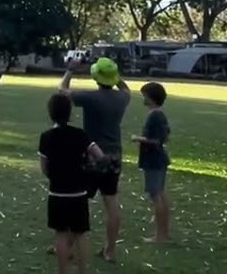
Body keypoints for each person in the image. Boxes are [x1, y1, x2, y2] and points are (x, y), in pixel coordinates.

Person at [59, 57, 130, 263]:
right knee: (111, 201)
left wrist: (70, 70)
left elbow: (62, 91)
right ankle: (110, 250)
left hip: (92, 154)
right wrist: (115, 75)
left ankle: (68, 246)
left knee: (80, 201)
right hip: (115, 155)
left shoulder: (90, 98)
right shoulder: (122, 98)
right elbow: (125, 87)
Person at [39, 93, 104, 274]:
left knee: (60, 234)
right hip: (78, 193)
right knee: (80, 234)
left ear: (51, 113)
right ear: (70, 113)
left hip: (57, 193)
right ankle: (83, 270)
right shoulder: (80, 135)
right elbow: (99, 156)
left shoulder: (46, 137)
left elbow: (44, 168)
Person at [131, 81, 171, 243]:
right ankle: (164, 233)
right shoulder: (160, 115)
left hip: (153, 160)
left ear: (151, 98)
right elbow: (166, 136)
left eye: (145, 96)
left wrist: (137, 139)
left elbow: (155, 140)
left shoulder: (154, 115)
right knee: (160, 194)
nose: (143, 99)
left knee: (156, 196)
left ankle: (160, 236)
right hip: (159, 159)